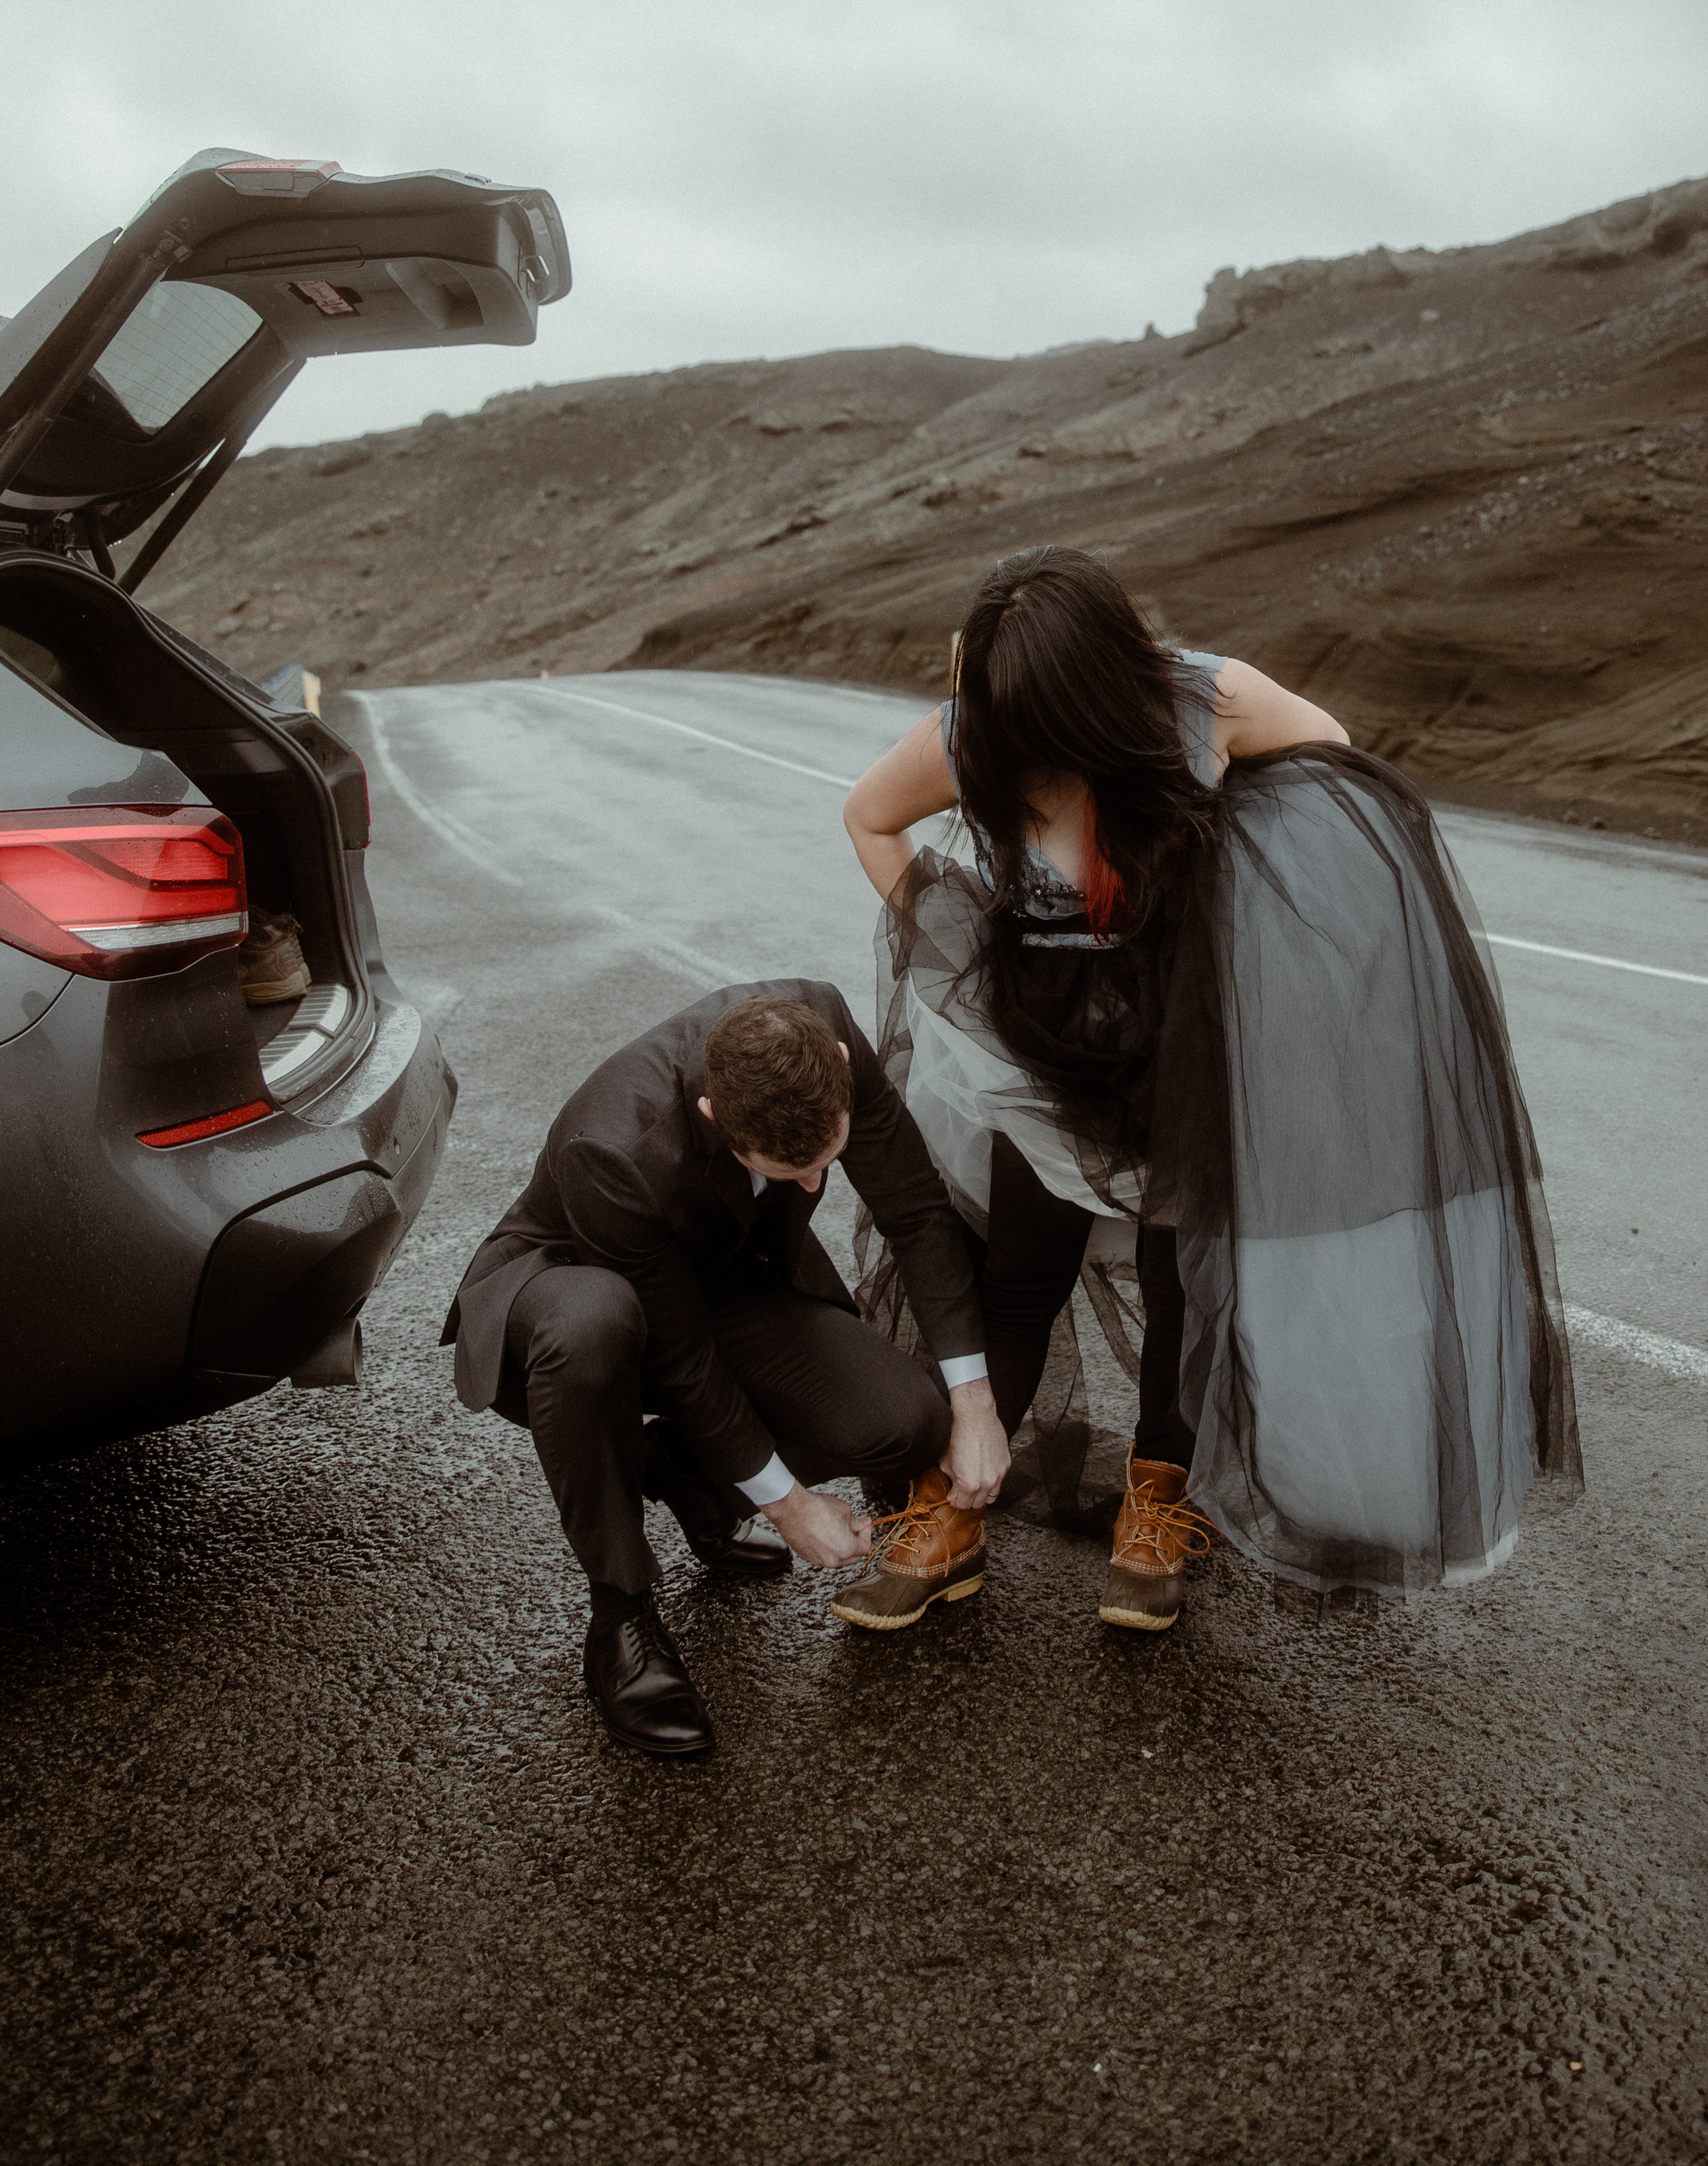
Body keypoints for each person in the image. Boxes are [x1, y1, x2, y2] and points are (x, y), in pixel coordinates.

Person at [841, 545, 1581, 1631]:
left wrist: (1256, 911)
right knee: (1018, 1279)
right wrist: (951, 943)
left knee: (1182, 1281)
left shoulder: (1207, 702)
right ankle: (952, 1514)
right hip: (1043, 1054)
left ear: (1106, 682)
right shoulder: (977, 730)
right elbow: (869, 816)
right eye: (1009, 714)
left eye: (1052, 713)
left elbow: (1333, 767)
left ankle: (1158, 1503)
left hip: (1187, 1048)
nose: (1028, 740)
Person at [441, 980, 1012, 1757]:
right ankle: (621, 1617)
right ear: (714, 1116)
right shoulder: (610, 1147)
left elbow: (913, 1208)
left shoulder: (824, 1028)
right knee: (594, 1326)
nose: (813, 1185)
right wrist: (789, 1506)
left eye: (826, 1161)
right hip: (572, 1294)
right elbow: (681, 1360)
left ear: (839, 1064)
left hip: (727, 1275)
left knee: (904, 1420)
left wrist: (976, 1405)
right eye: (789, 1169)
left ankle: (692, 1483)